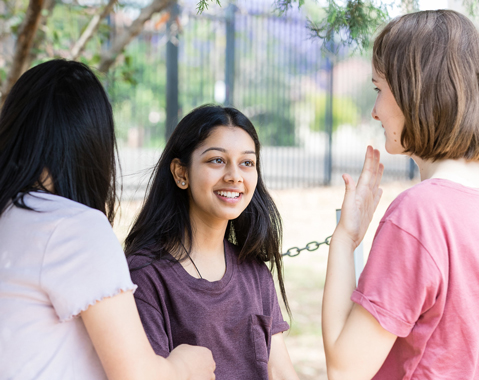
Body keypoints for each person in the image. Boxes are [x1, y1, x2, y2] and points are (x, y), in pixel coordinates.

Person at [321, 10, 479, 380]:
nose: (375, 111)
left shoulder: (418, 213)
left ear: (412, 93)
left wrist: (346, 239)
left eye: (378, 90)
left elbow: (345, 368)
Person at [0, 59, 215, 380]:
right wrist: (186, 366)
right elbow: (137, 376)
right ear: (92, 141)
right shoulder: (72, 226)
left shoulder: (12, 216)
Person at [125, 104, 299, 380]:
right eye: (217, 160)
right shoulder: (145, 276)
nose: (235, 176)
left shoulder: (256, 274)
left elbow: (279, 371)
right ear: (181, 173)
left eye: (247, 162)